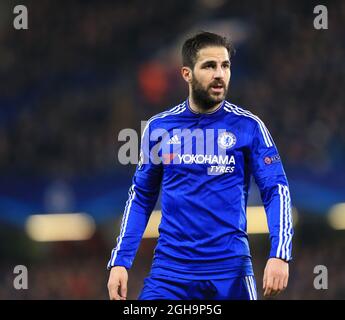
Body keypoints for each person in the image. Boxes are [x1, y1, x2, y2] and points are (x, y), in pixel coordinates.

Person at [107, 31, 293, 300]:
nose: (220, 74)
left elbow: (276, 190)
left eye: (225, 66)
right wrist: (121, 261)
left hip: (231, 274)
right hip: (170, 275)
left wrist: (280, 253)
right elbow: (141, 196)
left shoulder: (249, 127)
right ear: (187, 74)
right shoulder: (160, 129)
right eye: (209, 66)